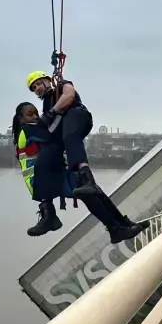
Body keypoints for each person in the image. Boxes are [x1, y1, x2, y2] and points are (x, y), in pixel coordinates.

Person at [13, 102, 147, 243]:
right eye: (30, 114)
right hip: (39, 180)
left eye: (36, 113)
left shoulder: (34, 128)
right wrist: (61, 111)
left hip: (54, 173)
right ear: (21, 119)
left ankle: (122, 225)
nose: (35, 117)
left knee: (92, 192)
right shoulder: (26, 130)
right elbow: (54, 135)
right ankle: (114, 228)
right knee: (88, 193)